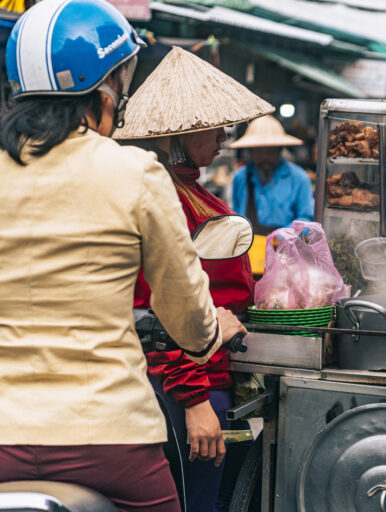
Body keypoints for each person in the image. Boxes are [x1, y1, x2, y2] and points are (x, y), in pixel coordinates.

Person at [0, 2, 244, 511]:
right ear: (108, 84)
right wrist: (213, 329)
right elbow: (190, 324)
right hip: (107, 436)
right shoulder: (134, 173)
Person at [114, 46, 273, 512]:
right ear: (181, 133)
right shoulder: (163, 197)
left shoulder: (191, 189)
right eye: (215, 126)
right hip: (186, 382)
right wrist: (193, 397)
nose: (226, 135)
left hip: (210, 370)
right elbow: (157, 310)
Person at [230, 115, 314, 235]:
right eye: (259, 151)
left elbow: (306, 219)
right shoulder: (240, 177)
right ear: (250, 151)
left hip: (285, 249)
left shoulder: (299, 178)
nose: (265, 157)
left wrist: (281, 237)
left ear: (280, 150)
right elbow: (235, 216)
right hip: (248, 248)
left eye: (270, 151)